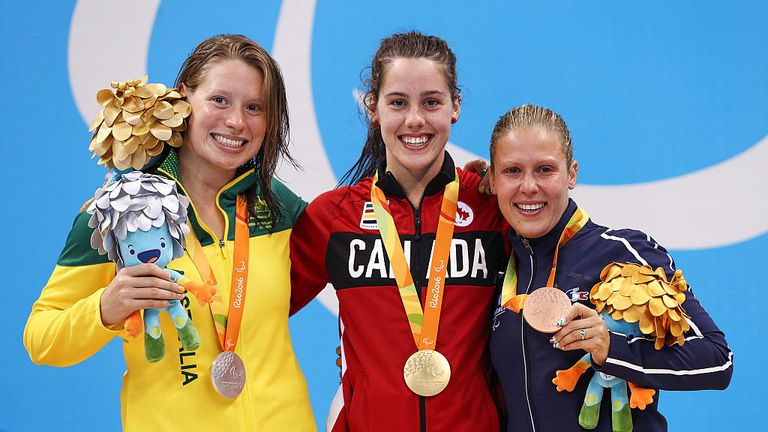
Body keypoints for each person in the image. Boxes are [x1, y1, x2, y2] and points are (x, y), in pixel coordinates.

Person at [24, 34, 316, 431]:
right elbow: (41, 338)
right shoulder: (121, 211)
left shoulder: (276, 204)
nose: (237, 121)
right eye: (220, 100)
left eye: (254, 107)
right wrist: (105, 308)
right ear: (183, 98)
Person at [289, 32, 509, 431]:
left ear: (455, 106)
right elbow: (256, 308)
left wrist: (508, 182)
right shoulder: (333, 218)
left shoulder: (493, 209)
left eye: (431, 102)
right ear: (373, 108)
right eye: (398, 103)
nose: (415, 120)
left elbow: (561, 267)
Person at [487, 104, 733, 431]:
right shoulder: (497, 271)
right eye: (512, 171)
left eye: (545, 169)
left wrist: (611, 348)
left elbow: (717, 360)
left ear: (572, 174)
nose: (529, 186)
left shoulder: (624, 251)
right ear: (493, 179)